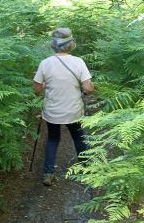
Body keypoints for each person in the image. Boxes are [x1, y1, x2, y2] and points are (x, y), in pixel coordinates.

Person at [33, 27, 94, 186]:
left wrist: (46, 84)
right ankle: (87, 168)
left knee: (52, 138)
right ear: (71, 44)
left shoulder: (45, 63)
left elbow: (37, 90)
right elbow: (88, 88)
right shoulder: (78, 62)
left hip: (52, 111)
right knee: (79, 137)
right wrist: (83, 92)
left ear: (53, 45)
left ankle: (48, 173)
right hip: (74, 110)